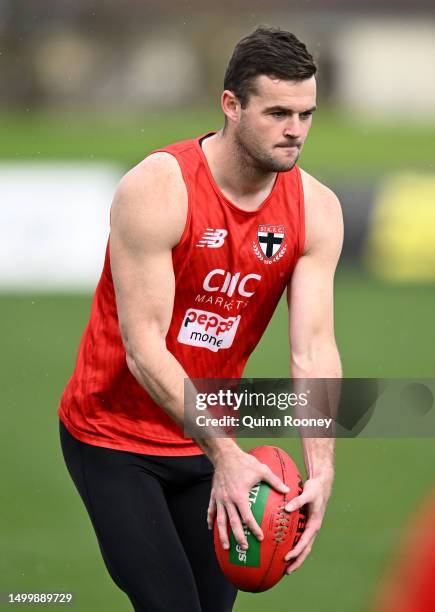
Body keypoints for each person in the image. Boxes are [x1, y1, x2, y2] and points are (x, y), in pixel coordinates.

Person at [58, 25, 343, 612]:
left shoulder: (316, 208)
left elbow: (313, 348)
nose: (295, 131)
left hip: (209, 440)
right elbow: (144, 348)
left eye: (307, 114)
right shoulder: (158, 189)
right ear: (231, 105)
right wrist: (226, 455)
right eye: (278, 113)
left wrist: (321, 468)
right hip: (114, 437)